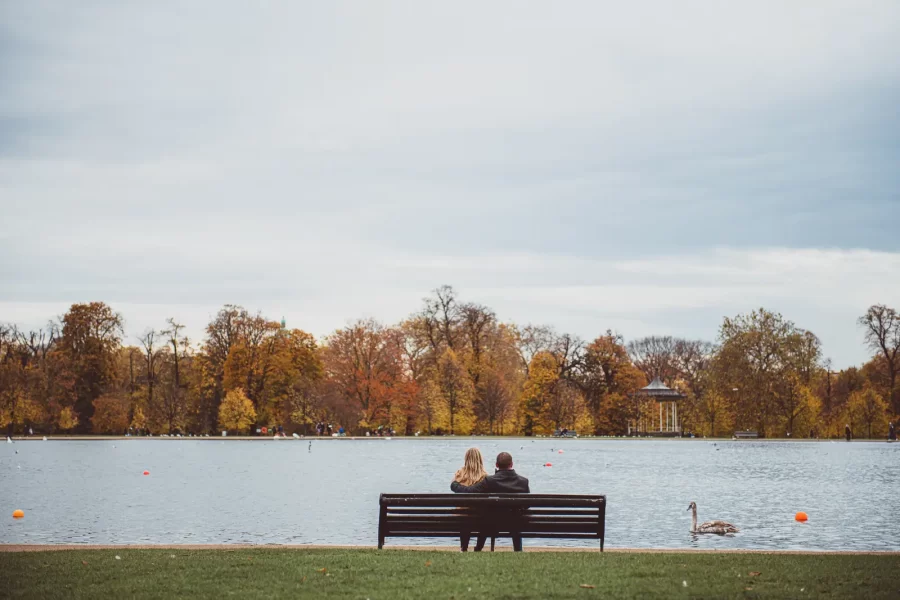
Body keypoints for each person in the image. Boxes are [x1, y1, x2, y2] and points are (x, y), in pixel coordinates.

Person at [451, 451, 530, 552]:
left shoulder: (490, 481)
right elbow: (527, 505)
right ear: (511, 464)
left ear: (496, 465)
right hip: (517, 523)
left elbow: (470, 491)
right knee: (516, 520)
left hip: (493, 524)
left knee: (486, 516)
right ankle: (518, 550)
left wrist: (454, 485)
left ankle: (477, 548)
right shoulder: (523, 482)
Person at [452, 448, 489, 551]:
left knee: (464, 516)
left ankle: (464, 547)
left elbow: (453, 485)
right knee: (485, 519)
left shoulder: (460, 474)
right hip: (479, 517)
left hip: (461, 516)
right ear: (480, 459)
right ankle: (479, 547)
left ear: (466, 459)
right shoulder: (484, 476)